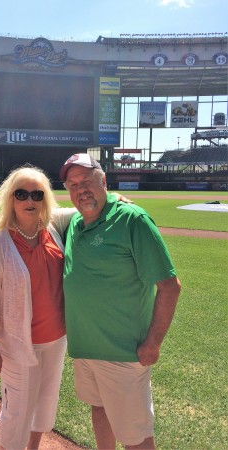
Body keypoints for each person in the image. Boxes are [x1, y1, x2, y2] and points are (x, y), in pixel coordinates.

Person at [59, 153, 182, 450]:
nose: (81, 190)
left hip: (123, 355)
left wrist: (153, 344)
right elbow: (31, 210)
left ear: (103, 181)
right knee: (99, 410)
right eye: (73, 185)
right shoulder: (74, 222)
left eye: (87, 181)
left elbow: (170, 286)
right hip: (86, 349)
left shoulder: (132, 219)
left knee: (135, 438)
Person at [0, 165, 74, 450]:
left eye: (37, 195)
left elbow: (84, 210)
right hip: (18, 346)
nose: (30, 201)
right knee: (16, 413)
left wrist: (114, 199)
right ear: (10, 199)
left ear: (46, 199)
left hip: (56, 341)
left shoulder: (53, 228)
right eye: (21, 194)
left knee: (45, 405)